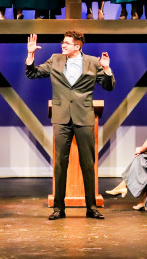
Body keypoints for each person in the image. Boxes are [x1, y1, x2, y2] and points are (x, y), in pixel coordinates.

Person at [25, 31, 114, 220]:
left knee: (88, 164)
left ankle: (91, 207)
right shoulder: (55, 59)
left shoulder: (93, 62)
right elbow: (32, 73)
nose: (62, 45)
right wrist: (31, 54)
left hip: (84, 117)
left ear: (77, 46)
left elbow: (108, 86)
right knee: (60, 164)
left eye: (67, 43)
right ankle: (59, 208)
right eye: (63, 42)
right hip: (61, 118)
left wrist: (106, 69)